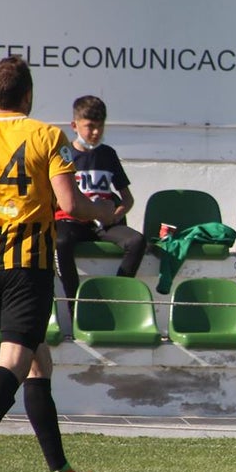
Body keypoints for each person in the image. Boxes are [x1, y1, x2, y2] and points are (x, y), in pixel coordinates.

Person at [0, 56, 115, 472]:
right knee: (16, 361)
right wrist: (104, 211)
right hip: (29, 266)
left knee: (39, 359)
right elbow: (72, 204)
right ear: (28, 95)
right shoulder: (48, 136)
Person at [55, 95, 145, 319]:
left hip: (101, 224)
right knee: (61, 241)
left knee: (137, 241)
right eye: (90, 127)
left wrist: (115, 215)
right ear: (74, 126)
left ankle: (113, 298)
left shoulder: (108, 155)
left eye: (100, 126)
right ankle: (75, 305)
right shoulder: (64, 155)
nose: (95, 132)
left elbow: (127, 199)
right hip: (70, 221)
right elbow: (53, 197)